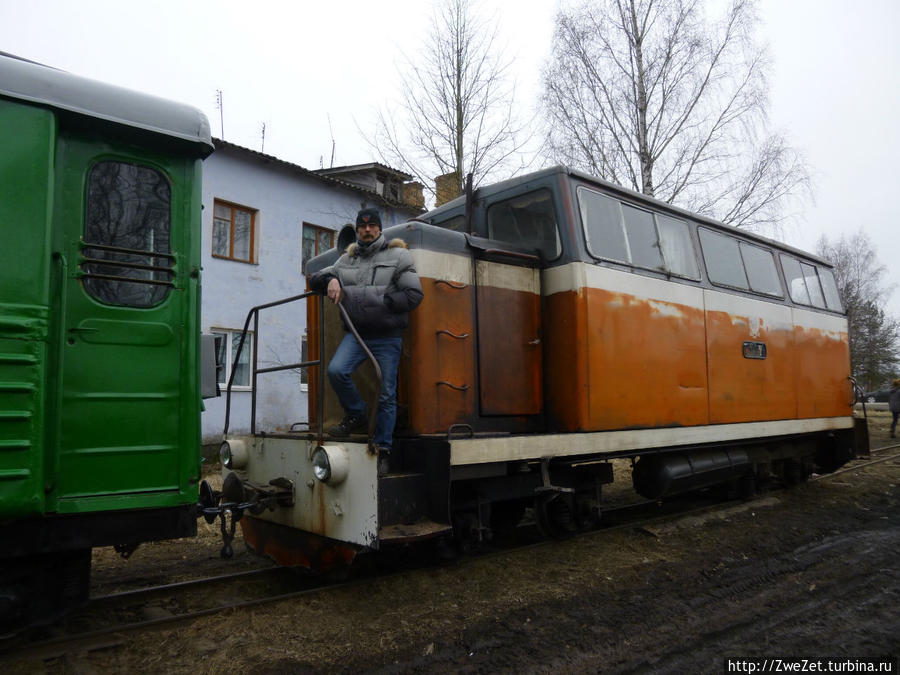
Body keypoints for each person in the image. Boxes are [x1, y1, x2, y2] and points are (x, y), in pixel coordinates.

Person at [309, 208, 423, 475]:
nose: (368, 230)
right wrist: (332, 279)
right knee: (337, 371)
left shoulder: (399, 256)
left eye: (372, 227)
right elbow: (315, 279)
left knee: (386, 394)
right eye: (363, 227)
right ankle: (356, 413)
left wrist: (383, 302)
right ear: (358, 230)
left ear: (380, 230)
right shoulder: (345, 261)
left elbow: (414, 295)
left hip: (387, 337)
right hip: (356, 335)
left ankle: (383, 449)